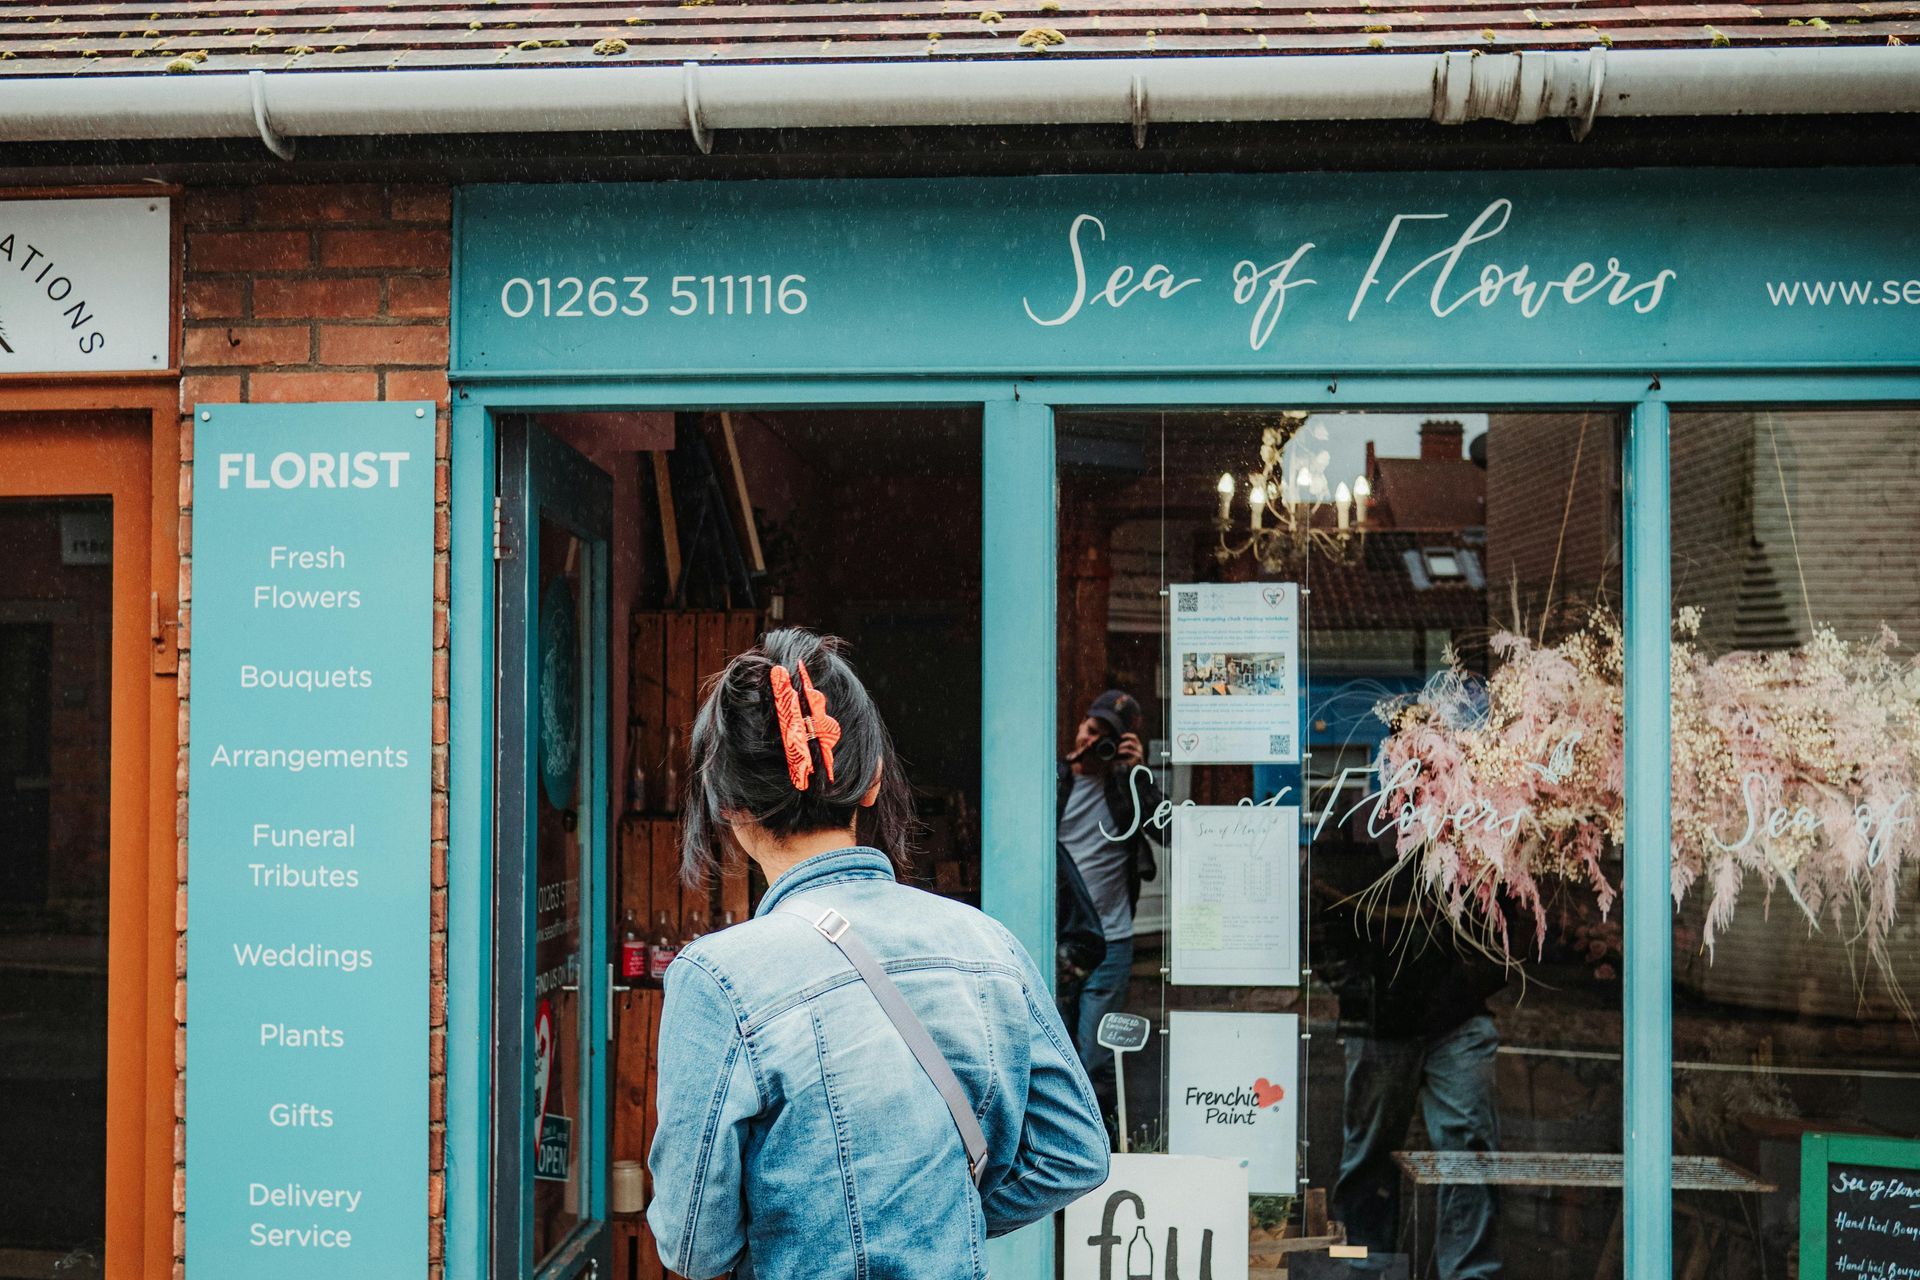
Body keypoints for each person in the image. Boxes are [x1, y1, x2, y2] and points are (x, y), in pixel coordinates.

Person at [648, 629, 1111, 1280]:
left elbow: (695, 1246)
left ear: (729, 805)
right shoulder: (987, 945)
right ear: (871, 782)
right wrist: (942, 1219)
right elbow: (1075, 1153)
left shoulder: (718, 978)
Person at [1325, 835, 1505, 1279]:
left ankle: (1469, 1274)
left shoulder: (1470, 816)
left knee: (1469, 1151)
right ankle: (1365, 1270)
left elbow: (1502, 915)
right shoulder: (1361, 823)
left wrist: (1468, 982)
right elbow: (1322, 909)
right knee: (1368, 1156)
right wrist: (1357, 989)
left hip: (1455, 1016)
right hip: (1381, 1019)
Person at [1056, 689, 1165, 1127]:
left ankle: (1096, 1152)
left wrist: (1138, 774)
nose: (1093, 741)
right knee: (1057, 1057)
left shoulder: (1125, 787)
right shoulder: (1053, 780)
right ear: (1080, 725)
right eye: (1091, 729)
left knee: (1096, 1060)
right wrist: (1069, 762)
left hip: (1113, 940)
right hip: (1060, 937)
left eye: (1107, 738)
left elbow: (1168, 831)